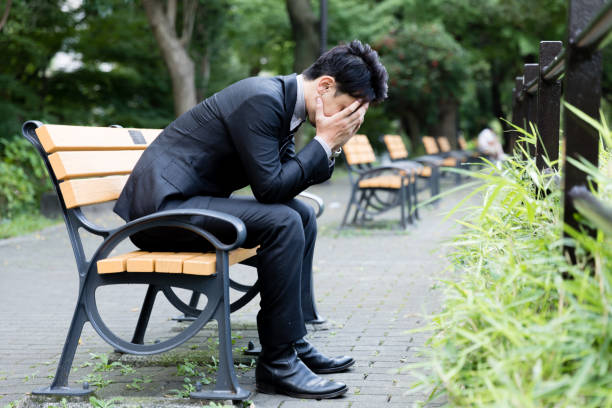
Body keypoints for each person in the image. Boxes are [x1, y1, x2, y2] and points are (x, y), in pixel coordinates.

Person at [113, 40, 388, 399]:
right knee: (283, 222)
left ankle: (294, 343)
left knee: (301, 215)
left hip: (187, 204)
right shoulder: (262, 99)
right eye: (344, 109)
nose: (344, 121)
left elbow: (287, 181)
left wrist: (329, 145)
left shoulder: (285, 106)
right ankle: (277, 365)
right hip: (160, 213)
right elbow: (270, 189)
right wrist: (322, 141)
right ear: (324, 86)